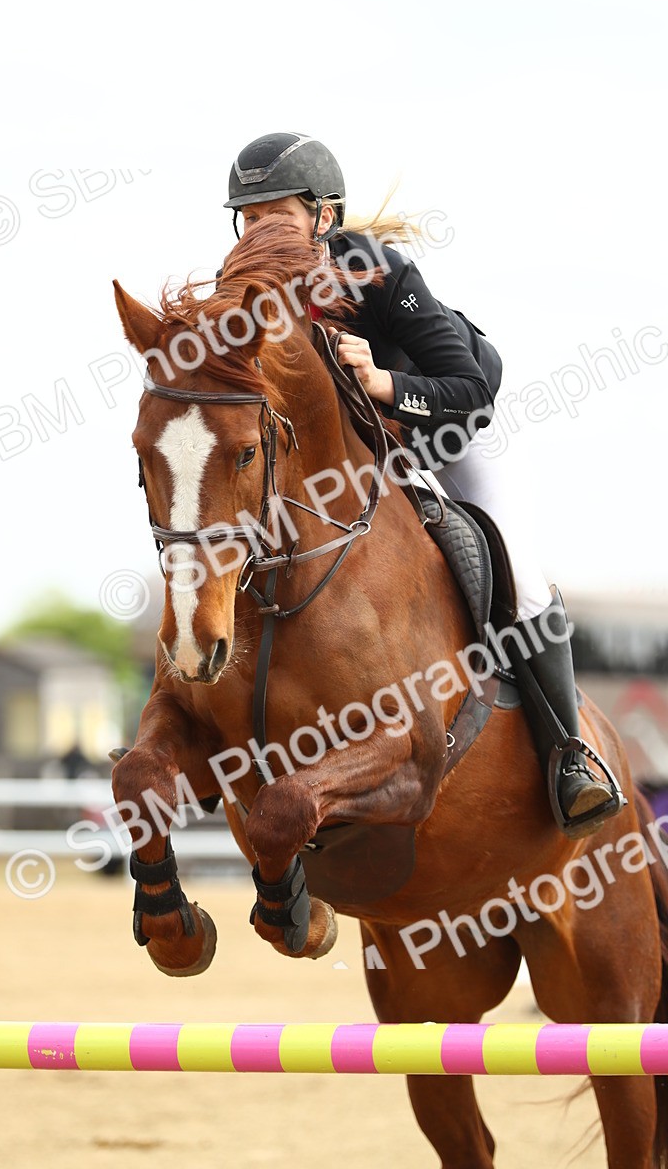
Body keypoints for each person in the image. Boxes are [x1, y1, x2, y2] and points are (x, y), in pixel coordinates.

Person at [223, 131, 624, 838]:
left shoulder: (377, 272)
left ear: (323, 216)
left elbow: (469, 388)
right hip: (364, 453)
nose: (256, 233)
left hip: (451, 431)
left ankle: (570, 754)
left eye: (273, 216)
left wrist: (380, 380)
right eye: (246, 219)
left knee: (520, 577)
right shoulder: (246, 294)